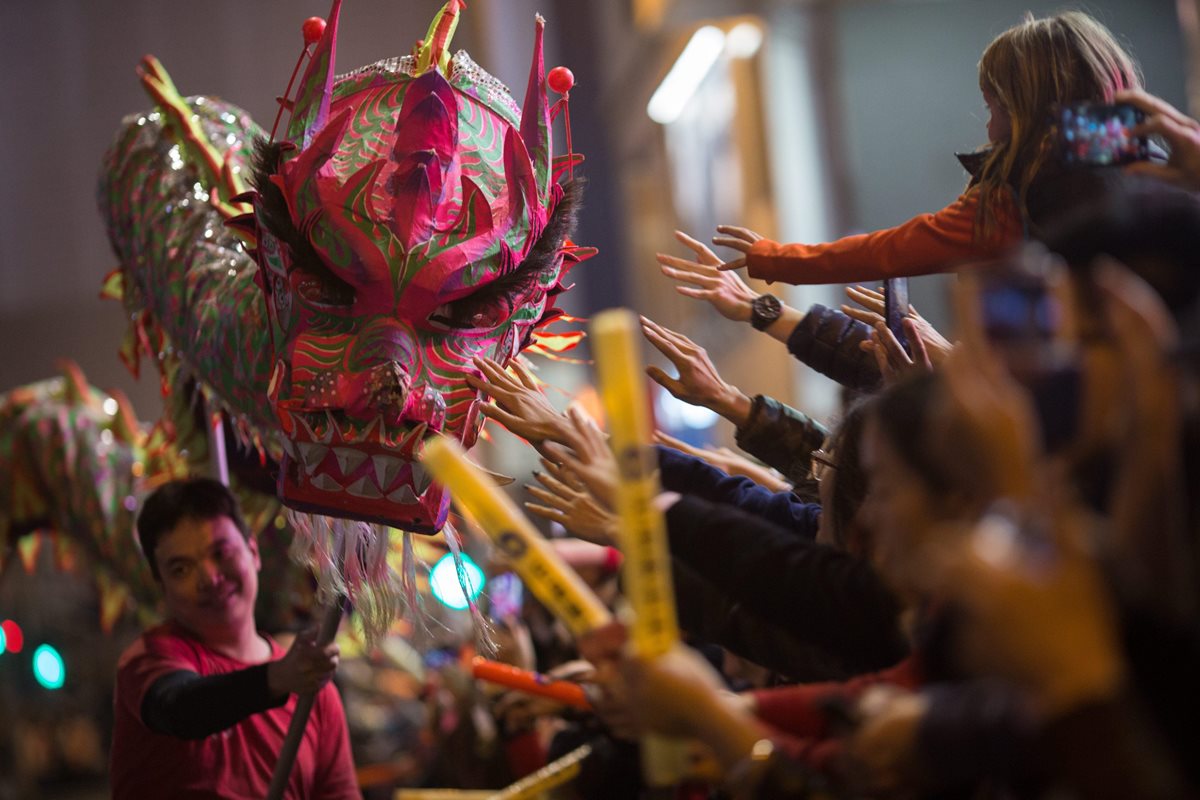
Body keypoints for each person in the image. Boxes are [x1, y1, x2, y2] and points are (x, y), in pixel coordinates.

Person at [712, 11, 1143, 285]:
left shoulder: (1016, 198)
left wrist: (775, 258)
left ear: (1028, 108)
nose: (991, 131)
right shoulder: (1157, 166)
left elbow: (887, 251)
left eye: (996, 109)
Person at [110, 477, 359, 799]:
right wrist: (278, 678)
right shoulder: (149, 659)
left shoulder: (313, 690)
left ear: (253, 552)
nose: (209, 578)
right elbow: (180, 708)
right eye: (181, 569)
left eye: (221, 552)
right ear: (163, 588)